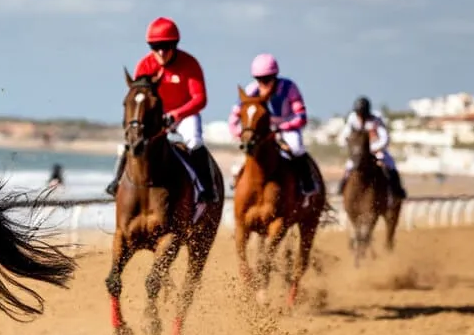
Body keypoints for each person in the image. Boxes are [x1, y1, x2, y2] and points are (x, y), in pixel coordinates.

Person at [106, 17, 218, 207]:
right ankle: (116, 181)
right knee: (133, 140)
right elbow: (139, 96)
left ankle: (206, 188)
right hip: (155, 116)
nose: (161, 52)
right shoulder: (145, 65)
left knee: (194, 141)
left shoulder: (190, 64)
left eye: (166, 47)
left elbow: (200, 99)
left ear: (175, 45)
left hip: (184, 115)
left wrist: (176, 115)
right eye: (155, 47)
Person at [228, 54, 318, 197]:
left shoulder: (289, 87)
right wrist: (238, 132)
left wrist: (283, 127)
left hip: (286, 127)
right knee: (243, 154)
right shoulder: (251, 90)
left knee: (297, 148)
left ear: (275, 76)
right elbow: (235, 115)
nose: (263, 83)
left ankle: (307, 184)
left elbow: (301, 116)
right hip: (261, 130)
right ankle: (237, 182)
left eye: (267, 79)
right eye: (259, 79)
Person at [335, 96, 407, 198]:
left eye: (362, 114)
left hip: (376, 151)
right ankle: (342, 188)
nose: (360, 117)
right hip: (358, 153)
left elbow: (385, 138)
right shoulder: (352, 119)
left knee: (390, 165)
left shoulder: (376, 119)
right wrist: (352, 148)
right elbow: (343, 137)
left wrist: (372, 149)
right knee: (349, 167)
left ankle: (397, 191)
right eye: (359, 114)